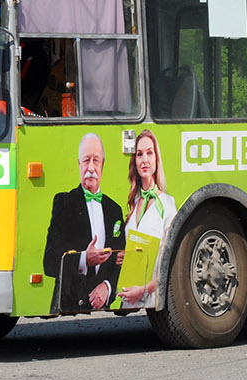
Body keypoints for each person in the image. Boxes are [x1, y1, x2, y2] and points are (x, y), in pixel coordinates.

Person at [42, 133, 125, 311]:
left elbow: (121, 260)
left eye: (96, 160)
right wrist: (83, 259)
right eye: (86, 160)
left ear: (103, 164)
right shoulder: (64, 203)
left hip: (103, 309)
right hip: (68, 307)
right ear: (79, 164)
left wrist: (107, 286)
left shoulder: (114, 210)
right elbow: (49, 262)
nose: (91, 167)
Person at [119, 129, 177, 308]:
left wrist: (144, 289)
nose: (144, 159)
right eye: (139, 154)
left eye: (149, 153)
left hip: (150, 296)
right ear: (134, 162)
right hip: (128, 298)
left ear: (156, 159)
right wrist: (122, 256)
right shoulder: (134, 203)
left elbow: (171, 262)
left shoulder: (167, 204)